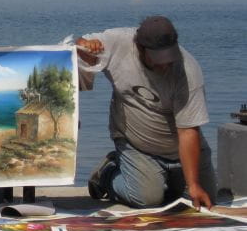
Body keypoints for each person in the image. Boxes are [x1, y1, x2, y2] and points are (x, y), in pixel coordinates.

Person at [75, 15, 216, 209]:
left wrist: (194, 185)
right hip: (137, 144)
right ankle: (107, 174)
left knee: (204, 199)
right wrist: (86, 47)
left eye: (169, 58)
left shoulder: (187, 71)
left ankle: (170, 180)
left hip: (179, 148)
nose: (164, 64)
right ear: (140, 48)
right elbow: (80, 48)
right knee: (147, 199)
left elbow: (188, 131)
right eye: (159, 59)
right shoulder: (118, 43)